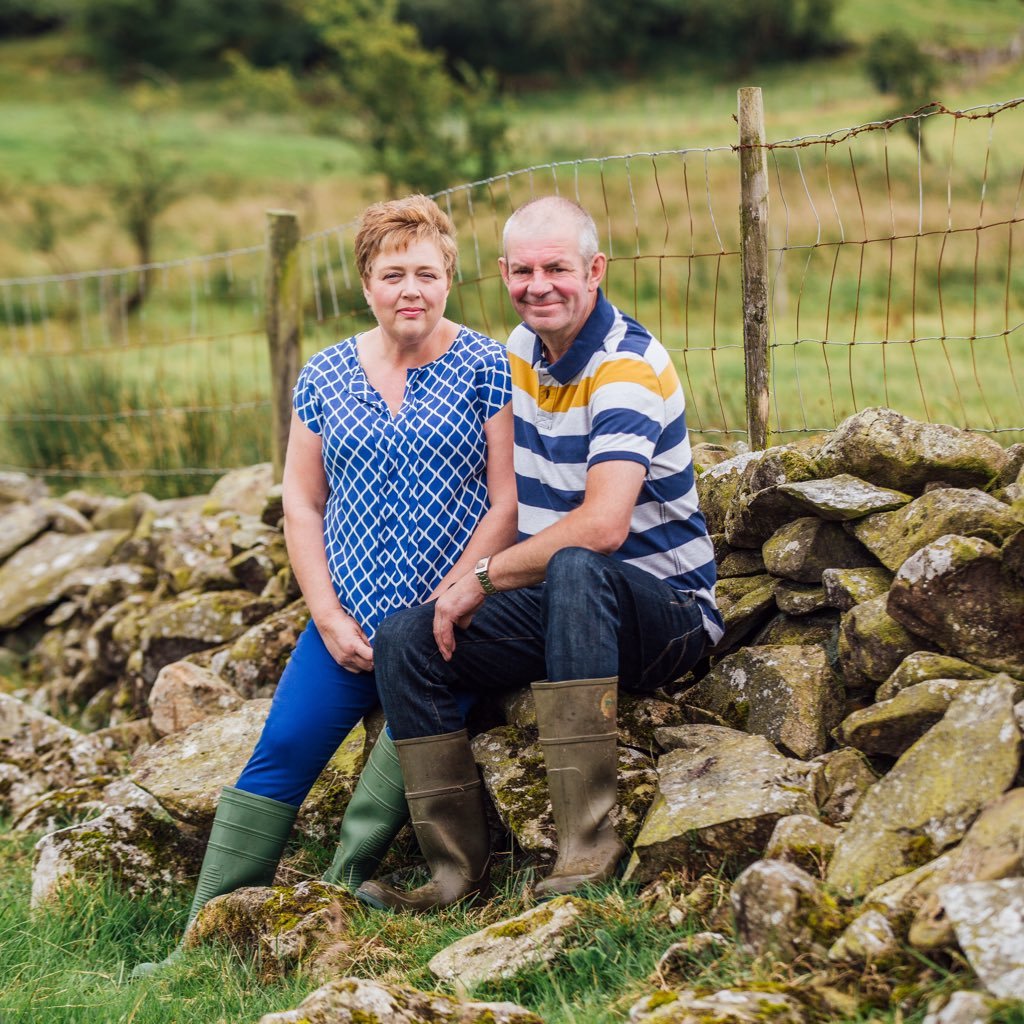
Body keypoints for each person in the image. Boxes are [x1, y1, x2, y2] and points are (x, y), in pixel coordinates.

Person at [132, 195, 516, 976]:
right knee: (281, 751)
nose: (411, 288)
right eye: (392, 273)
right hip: (344, 618)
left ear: (451, 279)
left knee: (409, 750)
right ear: (366, 284)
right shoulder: (325, 375)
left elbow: (507, 498)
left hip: (449, 620)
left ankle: (339, 891)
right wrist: (329, 615)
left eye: (427, 273)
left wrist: (454, 597)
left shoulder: (488, 367)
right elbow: (302, 504)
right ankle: (197, 943)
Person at [356, 195, 724, 913]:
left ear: (595, 269)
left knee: (578, 565)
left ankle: (588, 847)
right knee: (406, 631)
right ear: (501, 273)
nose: (539, 284)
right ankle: (454, 872)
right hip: (562, 603)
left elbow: (603, 526)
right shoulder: (520, 353)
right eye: (522, 270)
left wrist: (481, 579)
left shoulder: (627, 366)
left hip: (666, 614)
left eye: (557, 267)